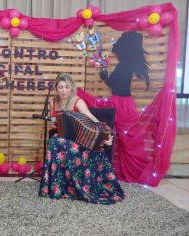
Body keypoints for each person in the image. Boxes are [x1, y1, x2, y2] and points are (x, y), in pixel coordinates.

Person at [39, 73, 124, 204]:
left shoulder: (77, 101)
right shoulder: (53, 102)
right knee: (54, 142)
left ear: (71, 88)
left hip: (79, 138)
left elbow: (91, 118)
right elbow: (53, 124)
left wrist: (105, 133)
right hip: (62, 135)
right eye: (60, 87)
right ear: (56, 88)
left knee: (61, 143)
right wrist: (56, 121)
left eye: (67, 87)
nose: (63, 90)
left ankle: (74, 185)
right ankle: (58, 186)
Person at [98, 31, 150, 183]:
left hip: (120, 103)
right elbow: (116, 85)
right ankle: (122, 170)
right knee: (123, 139)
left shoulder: (125, 66)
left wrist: (104, 75)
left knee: (124, 140)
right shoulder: (127, 65)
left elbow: (115, 85)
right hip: (123, 102)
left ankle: (131, 171)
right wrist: (105, 75)